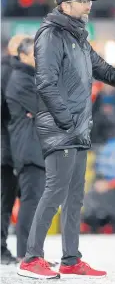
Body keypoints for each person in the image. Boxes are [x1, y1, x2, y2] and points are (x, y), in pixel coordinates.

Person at [17, 0, 115, 280]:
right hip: (62, 127)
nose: (89, 5)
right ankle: (31, 258)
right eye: (82, 1)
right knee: (54, 193)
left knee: (74, 197)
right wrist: (65, 121)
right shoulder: (50, 35)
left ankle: (71, 259)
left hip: (77, 128)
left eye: (89, 1)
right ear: (64, 5)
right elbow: (46, 83)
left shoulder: (78, 37)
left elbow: (99, 66)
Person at [5, 38, 45, 262]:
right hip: (28, 148)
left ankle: (33, 253)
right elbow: (46, 107)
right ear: (22, 55)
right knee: (30, 202)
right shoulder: (21, 79)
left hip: (33, 146)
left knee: (35, 201)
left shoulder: (29, 78)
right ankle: (26, 255)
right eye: (35, 54)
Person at [1, 34, 28, 265]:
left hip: (12, 146)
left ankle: (27, 251)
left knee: (14, 199)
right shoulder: (8, 73)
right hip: (7, 147)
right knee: (5, 200)